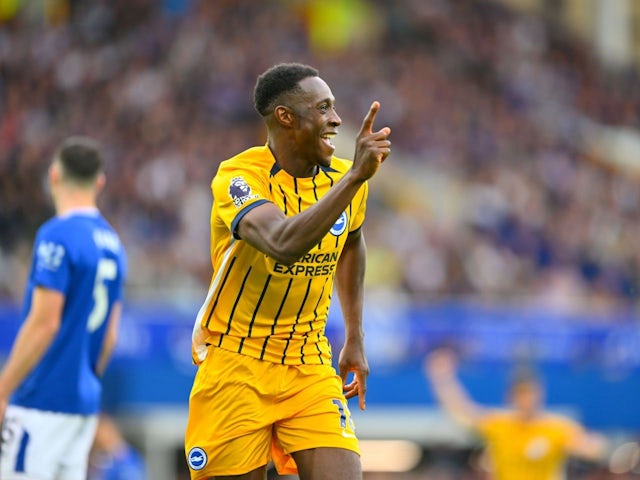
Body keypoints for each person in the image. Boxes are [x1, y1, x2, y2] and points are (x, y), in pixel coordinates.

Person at [184, 62, 391, 480]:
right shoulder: (239, 178)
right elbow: (282, 245)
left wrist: (354, 336)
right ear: (286, 117)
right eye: (323, 107)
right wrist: (352, 179)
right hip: (236, 364)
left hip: (309, 362)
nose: (336, 119)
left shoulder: (347, 177)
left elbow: (352, 240)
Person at [0, 136, 127, 480]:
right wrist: (86, 380)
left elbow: (45, 324)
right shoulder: (114, 244)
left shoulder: (57, 235)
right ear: (99, 182)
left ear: (54, 175)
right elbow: (110, 337)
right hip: (82, 405)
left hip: (41, 399)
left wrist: (3, 389)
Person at [424, 348, 608, 480]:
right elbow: (461, 409)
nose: (526, 400)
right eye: (521, 394)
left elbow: (592, 447)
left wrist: (593, 446)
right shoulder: (499, 425)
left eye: (530, 393)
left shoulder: (556, 428)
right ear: (510, 397)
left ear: (540, 394)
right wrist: (442, 378)